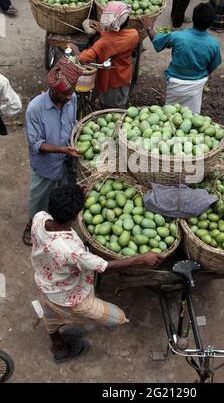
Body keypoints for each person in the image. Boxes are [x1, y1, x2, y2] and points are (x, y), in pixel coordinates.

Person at [31, 184, 162, 363]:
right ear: (76, 215)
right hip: (69, 296)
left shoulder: (40, 218)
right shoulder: (71, 250)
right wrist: (141, 259)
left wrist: (76, 195)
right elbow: (105, 266)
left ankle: (58, 344)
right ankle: (62, 347)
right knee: (116, 317)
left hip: (44, 283)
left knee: (51, 316)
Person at [23, 58, 83, 247]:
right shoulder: (35, 109)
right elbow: (36, 143)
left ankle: (56, 224)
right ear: (53, 90)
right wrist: (61, 149)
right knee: (38, 197)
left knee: (61, 195)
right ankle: (32, 223)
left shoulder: (72, 98)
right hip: (45, 165)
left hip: (66, 161)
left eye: (72, 91)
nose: (69, 96)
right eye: (66, 92)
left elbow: (72, 123)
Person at [143, 3, 221, 113]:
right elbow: (213, 65)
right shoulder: (214, 44)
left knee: (170, 113)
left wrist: (149, 27)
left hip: (176, 84)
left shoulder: (178, 36)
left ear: (193, 18)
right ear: (210, 23)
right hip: (197, 84)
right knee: (192, 115)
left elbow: (156, 39)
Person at [70, 2, 139, 109]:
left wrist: (74, 49)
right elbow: (117, 37)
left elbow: (83, 58)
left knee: (112, 108)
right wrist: (102, 31)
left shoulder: (104, 43)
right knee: (120, 98)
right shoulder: (134, 34)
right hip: (124, 75)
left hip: (112, 80)